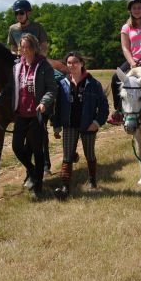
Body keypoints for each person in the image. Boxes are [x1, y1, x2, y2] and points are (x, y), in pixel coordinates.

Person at [0, 33, 57, 198]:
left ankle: (38, 186)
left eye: (28, 47)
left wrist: (44, 102)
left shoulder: (43, 66)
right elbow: (10, 88)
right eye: (22, 47)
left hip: (36, 113)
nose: (24, 50)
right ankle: (34, 171)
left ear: (34, 48)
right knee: (16, 147)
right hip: (21, 113)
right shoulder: (17, 67)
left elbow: (51, 88)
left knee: (37, 149)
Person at [52, 51, 109, 199]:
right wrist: (56, 125)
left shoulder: (93, 84)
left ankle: (92, 180)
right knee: (67, 156)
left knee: (89, 154)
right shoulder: (62, 84)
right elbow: (56, 107)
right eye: (69, 63)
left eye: (75, 62)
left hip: (88, 126)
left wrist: (96, 123)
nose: (72, 65)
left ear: (82, 64)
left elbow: (104, 106)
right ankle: (65, 186)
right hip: (69, 126)